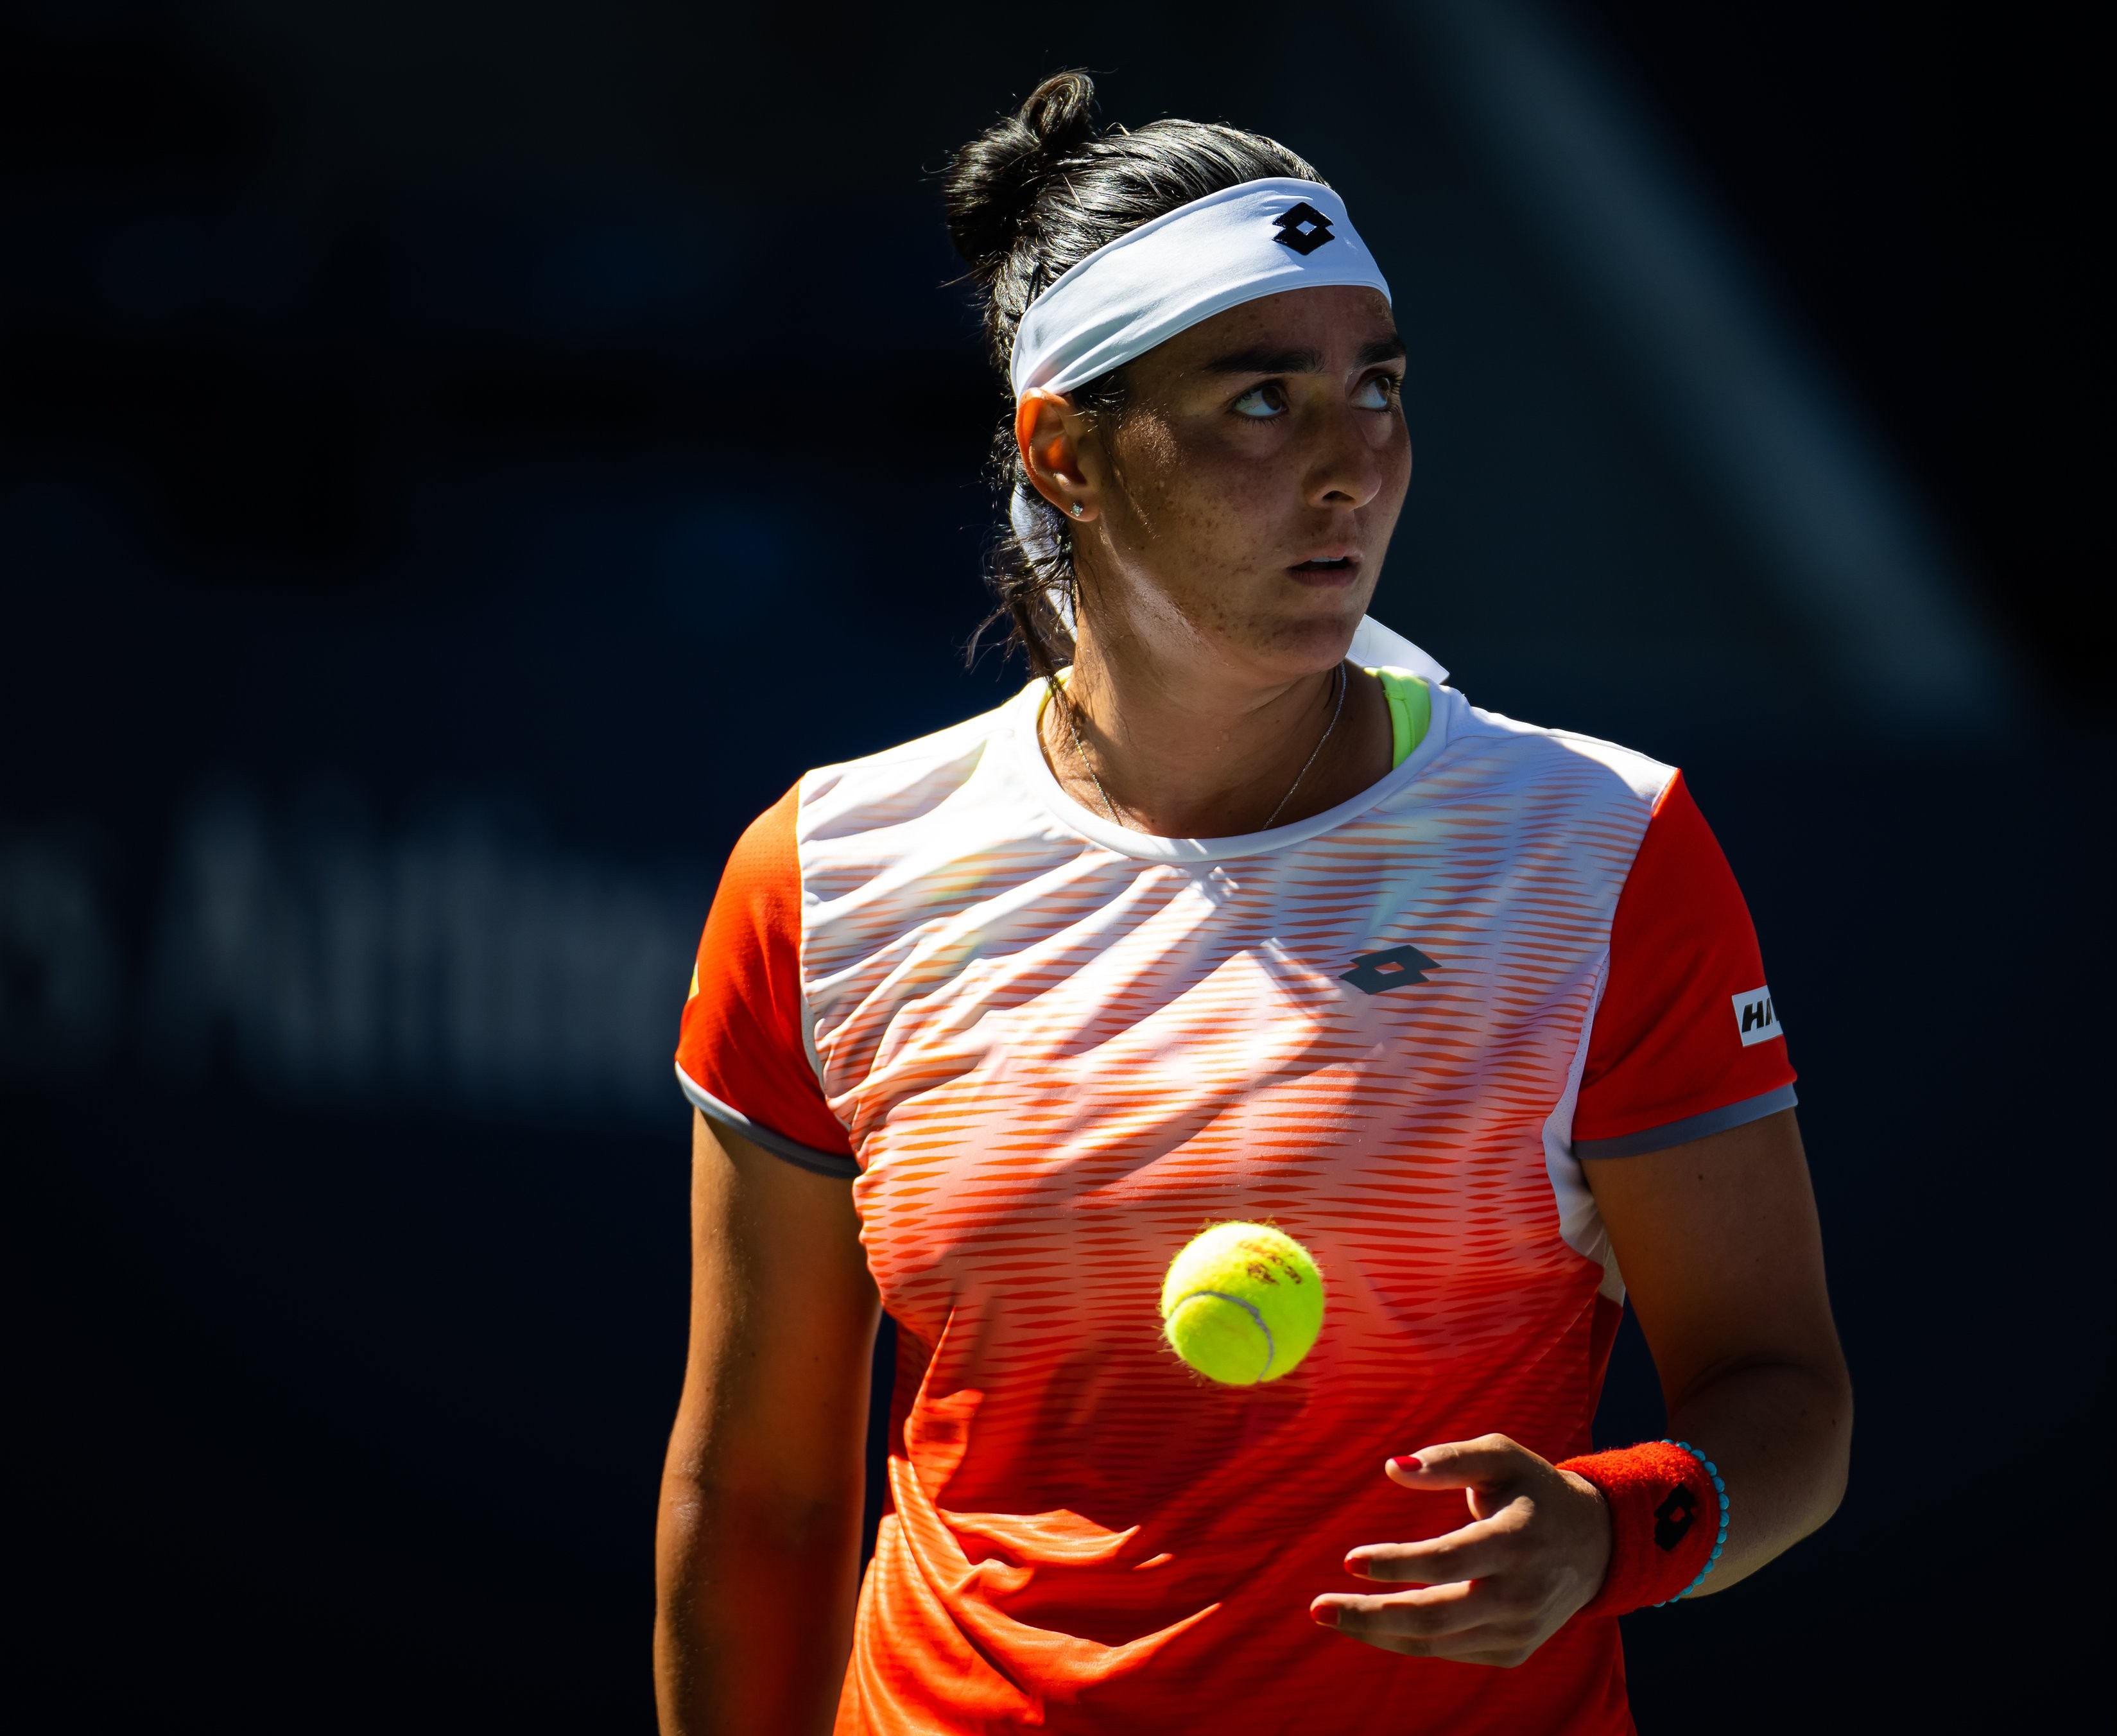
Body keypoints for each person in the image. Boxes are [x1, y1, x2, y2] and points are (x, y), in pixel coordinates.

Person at [655, 71, 1851, 1736]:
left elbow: (1785, 1398)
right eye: (1265, 402)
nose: (1355, 465)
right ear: (1066, 453)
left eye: (1380, 387)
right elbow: (762, 1496)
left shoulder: (1600, 848)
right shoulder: (828, 872)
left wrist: (1612, 1530)